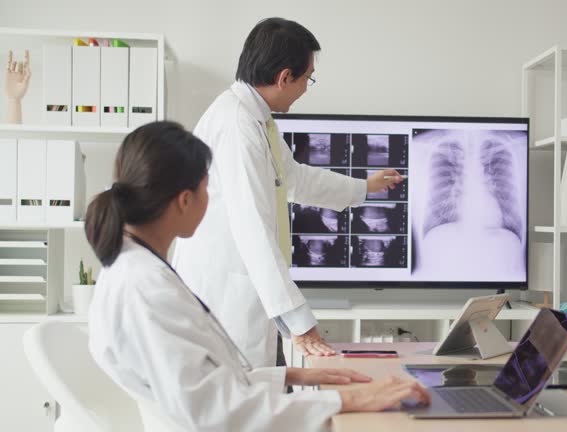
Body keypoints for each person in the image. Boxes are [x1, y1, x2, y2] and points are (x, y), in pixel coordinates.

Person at [85, 121, 429, 431]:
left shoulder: (135, 270)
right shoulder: (145, 289)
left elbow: (202, 386)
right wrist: (349, 400)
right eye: (209, 188)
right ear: (184, 200)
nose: (212, 199)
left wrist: (293, 374)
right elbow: (215, 411)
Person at [172, 17, 404, 368]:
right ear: (284, 77)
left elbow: (293, 179)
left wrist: (365, 187)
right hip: (227, 299)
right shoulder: (238, 125)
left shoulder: (255, 119)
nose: (307, 88)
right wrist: (300, 322)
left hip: (249, 297)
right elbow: (253, 227)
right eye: (308, 77)